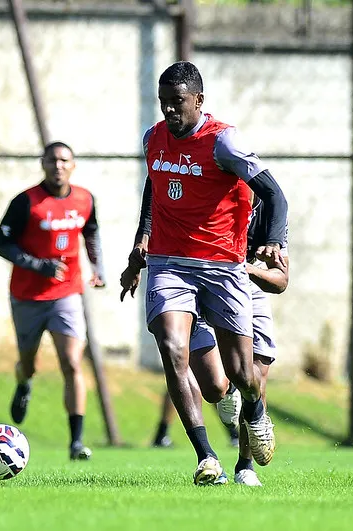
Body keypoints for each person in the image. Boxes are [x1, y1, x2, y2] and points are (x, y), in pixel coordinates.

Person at [119, 61, 288, 485]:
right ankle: (206, 457)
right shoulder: (153, 138)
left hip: (222, 269)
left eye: (178, 103)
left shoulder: (223, 142)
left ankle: (253, 409)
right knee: (172, 347)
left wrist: (274, 241)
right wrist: (142, 240)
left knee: (241, 376)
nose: (170, 112)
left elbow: (274, 192)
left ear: (198, 101)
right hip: (170, 265)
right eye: (164, 104)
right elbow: (155, 186)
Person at [152, 194, 290, 487]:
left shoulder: (270, 206)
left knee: (256, 374)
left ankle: (245, 466)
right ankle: (229, 395)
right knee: (214, 388)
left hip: (248, 288)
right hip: (200, 284)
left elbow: (281, 281)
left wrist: (248, 269)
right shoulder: (205, 193)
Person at [0, 141, 106, 461]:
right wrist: (36, 264)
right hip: (27, 295)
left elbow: (92, 232)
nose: (58, 165)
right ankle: (24, 382)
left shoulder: (85, 199)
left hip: (67, 293)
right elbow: (1, 244)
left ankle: (76, 442)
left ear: (73, 165)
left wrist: (98, 269)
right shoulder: (26, 202)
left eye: (64, 160)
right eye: (52, 160)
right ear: (42, 163)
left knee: (71, 361)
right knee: (28, 363)